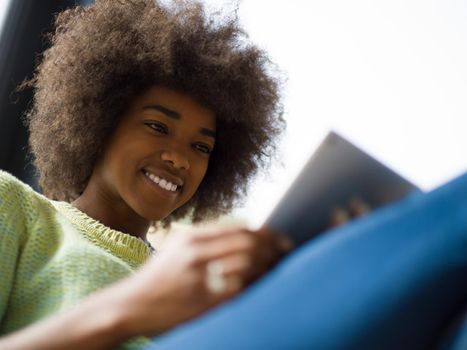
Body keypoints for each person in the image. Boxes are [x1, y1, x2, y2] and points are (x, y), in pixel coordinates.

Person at [0, 1, 291, 349]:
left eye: (201, 148)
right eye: (157, 126)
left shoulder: (201, 286)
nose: (179, 158)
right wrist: (132, 307)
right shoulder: (15, 208)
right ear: (100, 122)